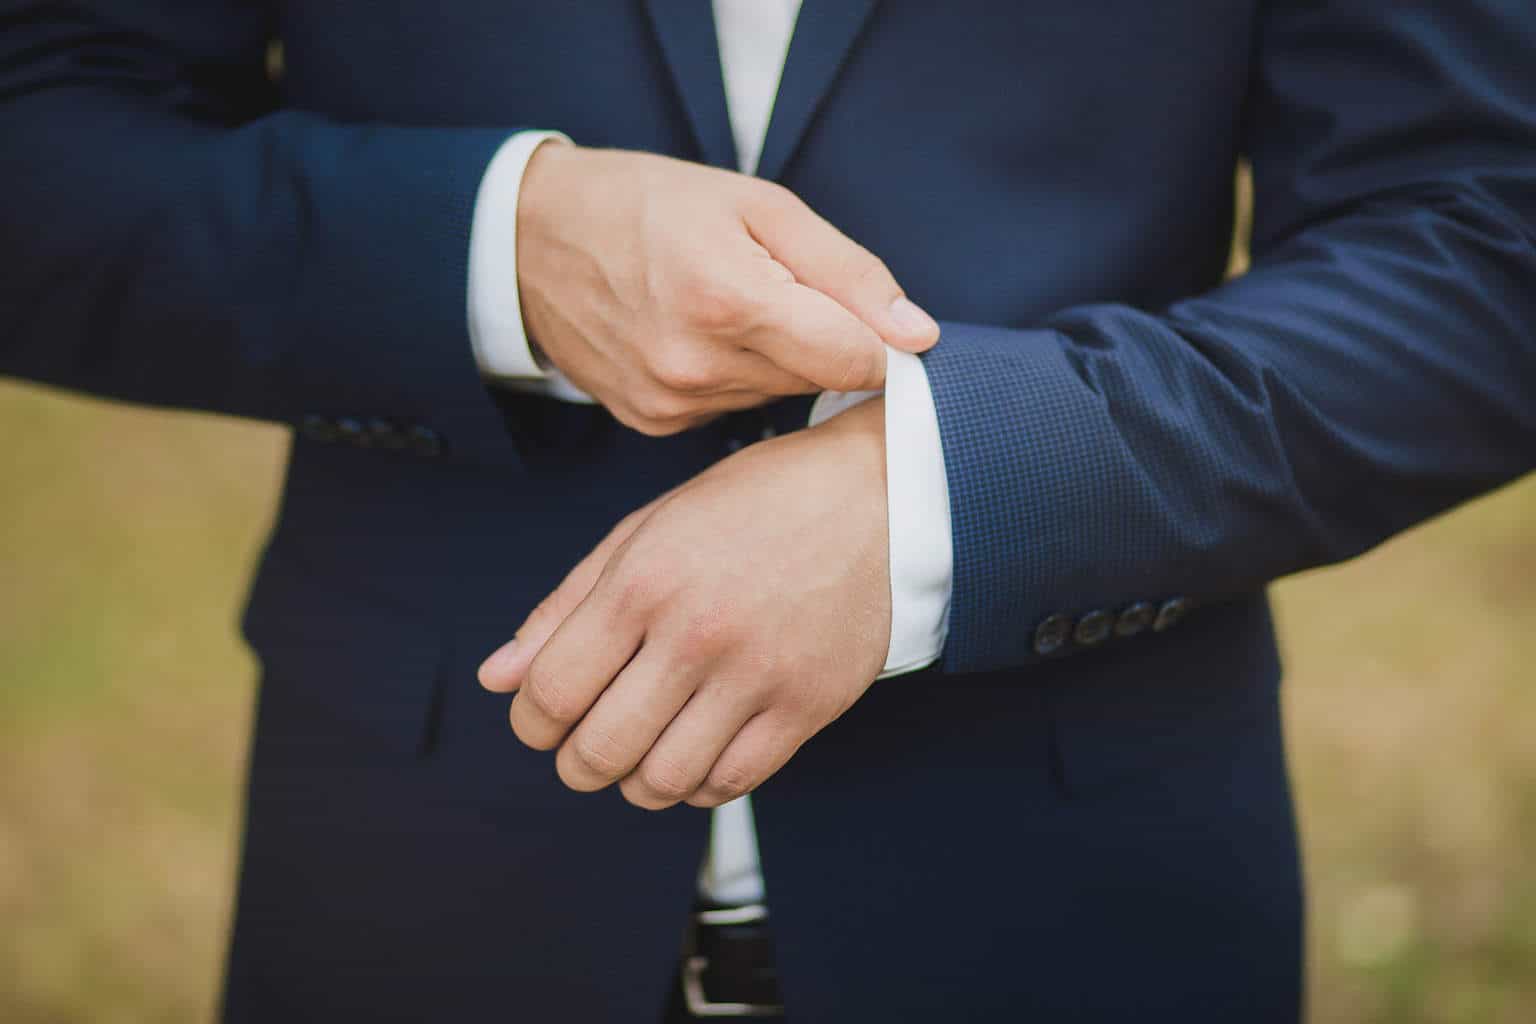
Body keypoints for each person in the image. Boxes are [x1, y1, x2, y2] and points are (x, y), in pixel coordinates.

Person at [2, 2, 1533, 1020]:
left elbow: (1487, 233)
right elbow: (42, 135)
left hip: (1075, 901)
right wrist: (498, 245)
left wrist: (945, 491)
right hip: (416, 889)